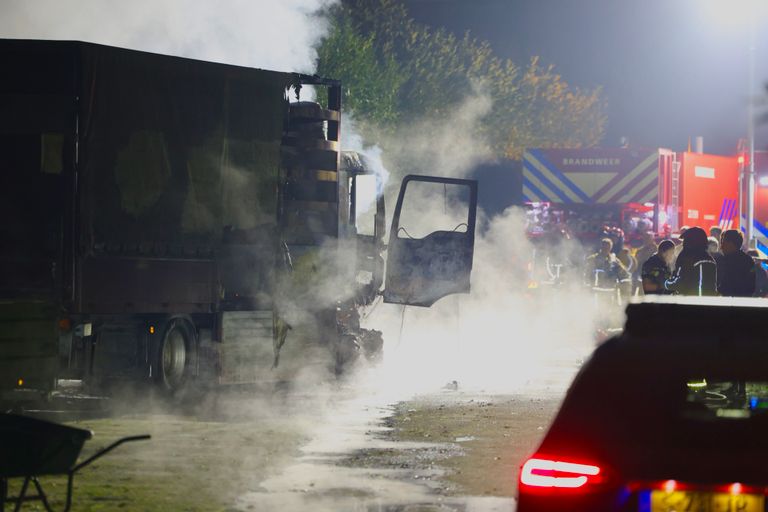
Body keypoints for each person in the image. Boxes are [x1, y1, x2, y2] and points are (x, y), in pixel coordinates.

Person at [665, 226, 717, 296]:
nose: (683, 243)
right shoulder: (709, 259)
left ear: (690, 241)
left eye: (685, 240)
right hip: (708, 302)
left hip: (689, 301)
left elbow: (680, 282)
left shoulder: (687, 258)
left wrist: (666, 283)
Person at [717, 229, 755, 297]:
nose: (721, 247)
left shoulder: (725, 261)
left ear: (731, 244)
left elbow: (724, 285)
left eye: (723, 243)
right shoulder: (748, 260)